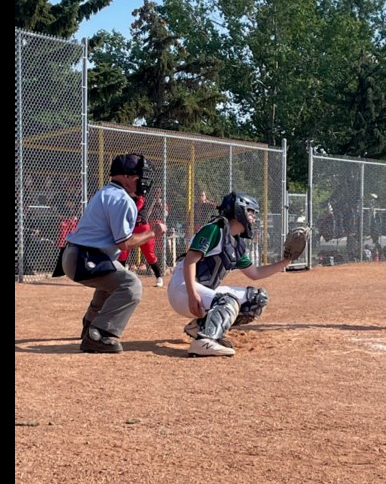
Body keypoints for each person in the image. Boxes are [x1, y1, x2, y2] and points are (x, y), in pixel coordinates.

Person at [59, 153, 166, 353]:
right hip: (83, 258)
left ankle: (90, 326)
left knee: (113, 281)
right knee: (131, 285)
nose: (143, 181)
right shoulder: (121, 199)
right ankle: (99, 334)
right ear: (125, 176)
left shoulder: (108, 192)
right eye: (139, 176)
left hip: (81, 255)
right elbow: (124, 243)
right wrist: (153, 232)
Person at [167, 192, 293, 357]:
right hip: (182, 289)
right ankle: (204, 341)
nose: (253, 217)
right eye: (250, 212)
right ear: (239, 211)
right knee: (228, 301)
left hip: (199, 291)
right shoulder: (214, 229)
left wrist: (286, 262)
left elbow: (255, 273)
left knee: (256, 299)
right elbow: (190, 261)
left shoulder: (235, 242)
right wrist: (192, 294)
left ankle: (199, 327)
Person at [117, 189, 166, 287]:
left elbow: (136, 208)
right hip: (130, 229)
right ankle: (120, 279)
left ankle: (159, 277)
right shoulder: (124, 198)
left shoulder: (140, 198)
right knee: (123, 253)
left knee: (149, 255)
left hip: (143, 229)